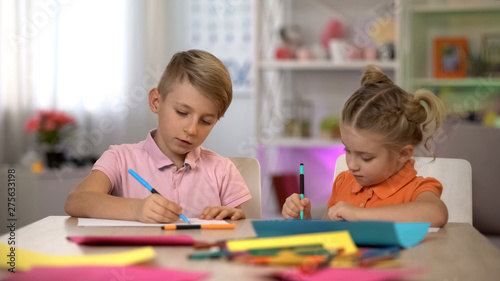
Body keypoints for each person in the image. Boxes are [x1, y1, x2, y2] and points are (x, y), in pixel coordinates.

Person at [65, 49, 252, 223]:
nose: (192, 130)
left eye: (206, 121)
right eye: (181, 112)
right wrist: (136, 209)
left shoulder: (223, 171)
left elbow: (235, 228)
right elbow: (76, 201)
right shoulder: (120, 159)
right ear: (156, 102)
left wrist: (234, 216)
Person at [282, 65, 448, 227]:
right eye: (347, 150)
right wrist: (302, 219)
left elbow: (437, 214)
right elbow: (327, 234)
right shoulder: (343, 182)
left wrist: (360, 215)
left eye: (366, 157)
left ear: (403, 154)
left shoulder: (415, 189)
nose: (352, 165)